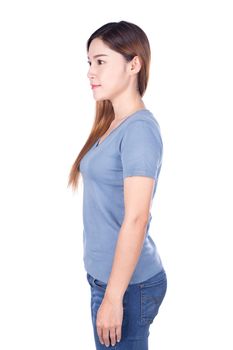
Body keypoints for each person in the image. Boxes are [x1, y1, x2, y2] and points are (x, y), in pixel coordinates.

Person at [68, 20, 167, 350]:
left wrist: (113, 297)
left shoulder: (138, 130)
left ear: (134, 64)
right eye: (89, 63)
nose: (90, 72)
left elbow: (136, 218)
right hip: (108, 281)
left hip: (126, 286)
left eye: (101, 61)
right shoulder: (112, 123)